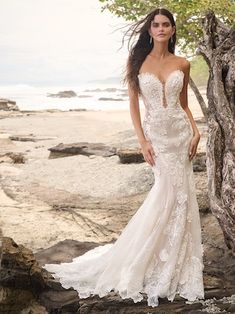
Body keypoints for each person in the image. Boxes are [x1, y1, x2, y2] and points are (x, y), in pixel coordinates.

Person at [43, 8, 205, 308]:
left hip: (180, 136)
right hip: (157, 137)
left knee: (181, 196)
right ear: (149, 29)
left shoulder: (182, 63)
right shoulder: (137, 62)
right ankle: (149, 259)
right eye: (155, 25)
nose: (160, 29)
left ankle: (175, 263)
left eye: (165, 25)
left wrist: (196, 132)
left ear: (172, 29)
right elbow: (133, 105)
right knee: (166, 195)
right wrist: (142, 141)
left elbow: (184, 104)